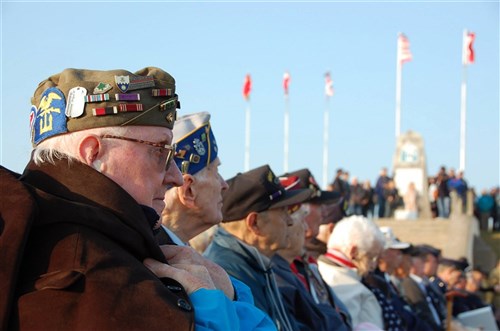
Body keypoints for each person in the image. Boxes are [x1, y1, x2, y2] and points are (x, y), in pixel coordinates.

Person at [0, 67, 244, 329]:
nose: (175, 176)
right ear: (94, 153)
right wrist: (216, 307)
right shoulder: (95, 277)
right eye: (160, 152)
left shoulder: (50, 236)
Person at [158, 111, 276, 330]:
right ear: (189, 190)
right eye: (215, 171)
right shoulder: (160, 261)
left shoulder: (179, 253)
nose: (224, 184)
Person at [203, 165, 312, 331]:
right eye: (283, 212)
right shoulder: (225, 272)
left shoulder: (253, 263)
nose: (290, 221)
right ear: (254, 223)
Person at [318, 215, 386, 329]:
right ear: (353, 252)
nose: (374, 265)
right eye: (370, 257)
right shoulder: (344, 285)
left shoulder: (315, 271)